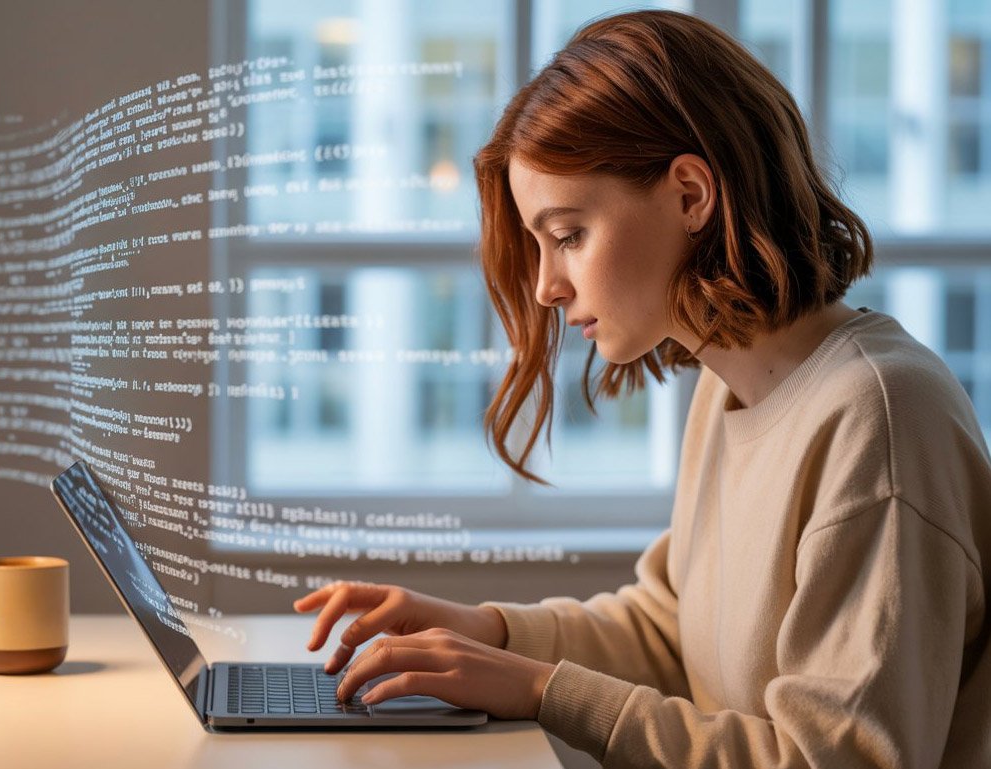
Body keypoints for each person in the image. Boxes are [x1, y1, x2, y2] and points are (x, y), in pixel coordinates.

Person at [294, 10, 991, 767]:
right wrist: (483, 631)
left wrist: (538, 688)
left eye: (567, 236)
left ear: (691, 194)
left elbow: (839, 759)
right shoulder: (729, 391)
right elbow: (669, 627)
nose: (545, 288)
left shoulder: (879, 419)